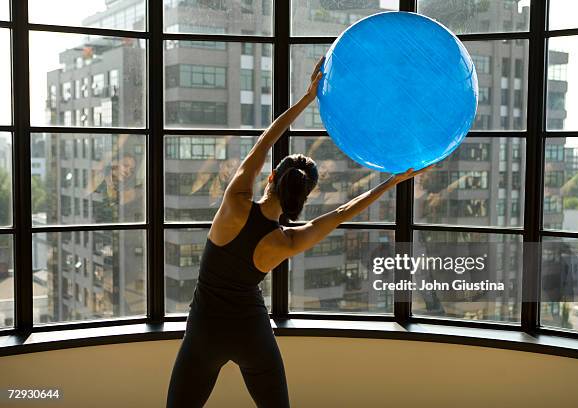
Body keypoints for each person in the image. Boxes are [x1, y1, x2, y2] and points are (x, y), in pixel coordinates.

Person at [165, 57, 435, 408]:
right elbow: (339, 214)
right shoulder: (285, 241)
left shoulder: (235, 202)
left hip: (204, 330)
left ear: (272, 178)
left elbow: (264, 142)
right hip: (251, 332)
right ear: (304, 197)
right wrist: (392, 180)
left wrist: (308, 99)